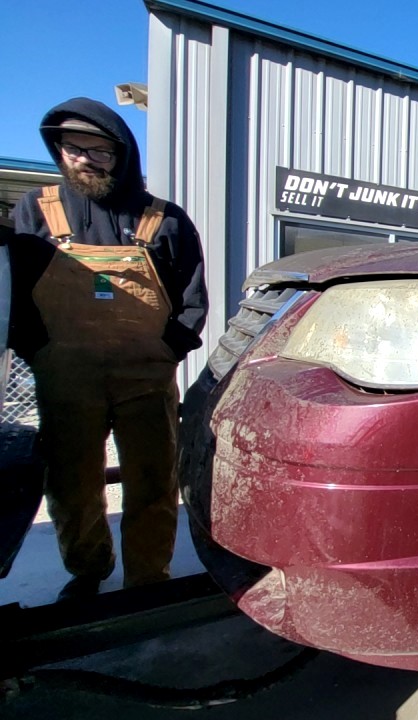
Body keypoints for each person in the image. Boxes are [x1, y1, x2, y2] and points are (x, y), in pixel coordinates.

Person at [10, 97, 208, 601]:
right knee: (71, 484)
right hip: (65, 376)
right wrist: (39, 351)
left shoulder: (165, 221)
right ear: (58, 151)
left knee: (152, 482)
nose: (85, 159)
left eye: (99, 150)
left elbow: (192, 300)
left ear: (121, 154)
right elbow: (12, 296)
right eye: (73, 148)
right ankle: (87, 568)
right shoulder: (34, 212)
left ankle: (147, 579)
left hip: (146, 377)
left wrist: (167, 351)